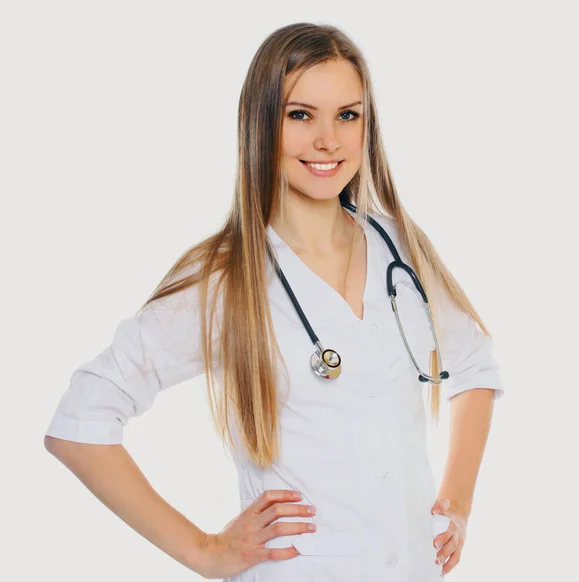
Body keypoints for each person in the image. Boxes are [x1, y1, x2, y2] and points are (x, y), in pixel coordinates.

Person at [44, 22, 504, 582]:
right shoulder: (224, 280)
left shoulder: (399, 248)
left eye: (347, 115)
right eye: (300, 115)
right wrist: (203, 551)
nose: (328, 141)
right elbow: (81, 420)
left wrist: (455, 503)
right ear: (261, 123)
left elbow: (474, 365)